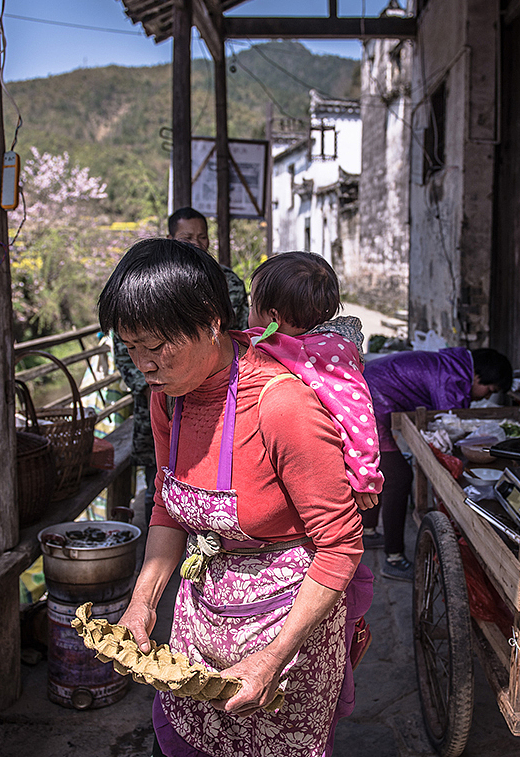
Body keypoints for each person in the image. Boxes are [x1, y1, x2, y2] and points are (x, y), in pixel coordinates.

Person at [99, 238, 372, 757]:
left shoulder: (281, 406)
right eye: (131, 348)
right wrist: (141, 605)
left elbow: (340, 546)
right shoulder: (168, 401)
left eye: (156, 346)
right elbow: (168, 508)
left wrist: (273, 658)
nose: (144, 365)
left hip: (287, 634)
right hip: (201, 618)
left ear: (209, 319)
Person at [113, 208, 249, 523]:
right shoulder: (144, 288)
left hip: (217, 395)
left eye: (202, 237)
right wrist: (159, 382)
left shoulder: (226, 281)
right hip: (165, 393)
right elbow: (127, 351)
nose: (197, 244)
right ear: (171, 238)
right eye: (188, 237)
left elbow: (236, 336)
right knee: (162, 483)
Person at [362, 346, 513, 581]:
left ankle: (369, 532)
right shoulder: (453, 378)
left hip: (368, 390)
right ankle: (393, 559)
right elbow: (448, 422)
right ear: (477, 376)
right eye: (489, 390)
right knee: (399, 477)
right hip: (369, 398)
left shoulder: (455, 366)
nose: (484, 397)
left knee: (382, 468)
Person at [246, 252, 383, 510]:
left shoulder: (322, 353)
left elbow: (356, 412)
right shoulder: (303, 341)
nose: (248, 312)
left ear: (274, 318)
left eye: (253, 305)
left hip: (322, 469)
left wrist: (364, 473)